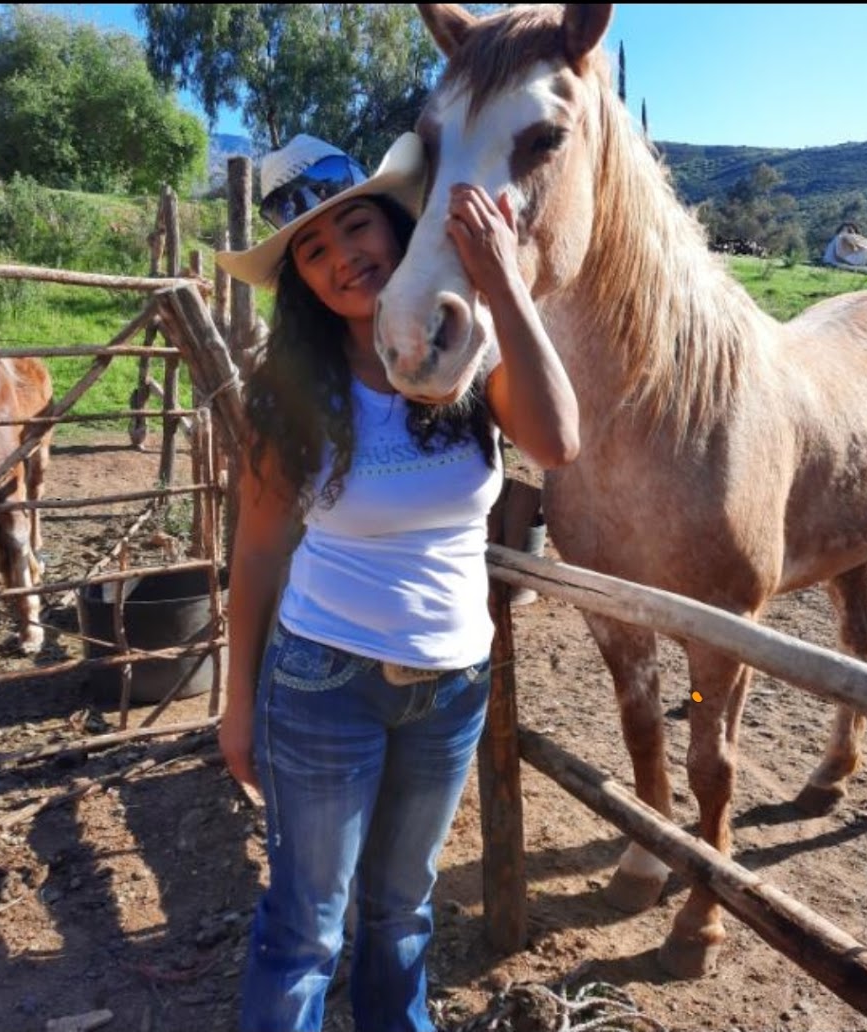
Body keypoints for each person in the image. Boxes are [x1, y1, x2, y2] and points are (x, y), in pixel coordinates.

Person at [215, 130, 579, 1032]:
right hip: (322, 681)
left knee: (401, 914)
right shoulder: (289, 390)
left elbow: (559, 441)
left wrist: (498, 280)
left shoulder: (466, 357)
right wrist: (235, 705)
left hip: (453, 688)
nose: (344, 257)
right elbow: (258, 553)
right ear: (299, 276)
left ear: (397, 225)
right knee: (306, 927)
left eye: (357, 227)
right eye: (314, 249)